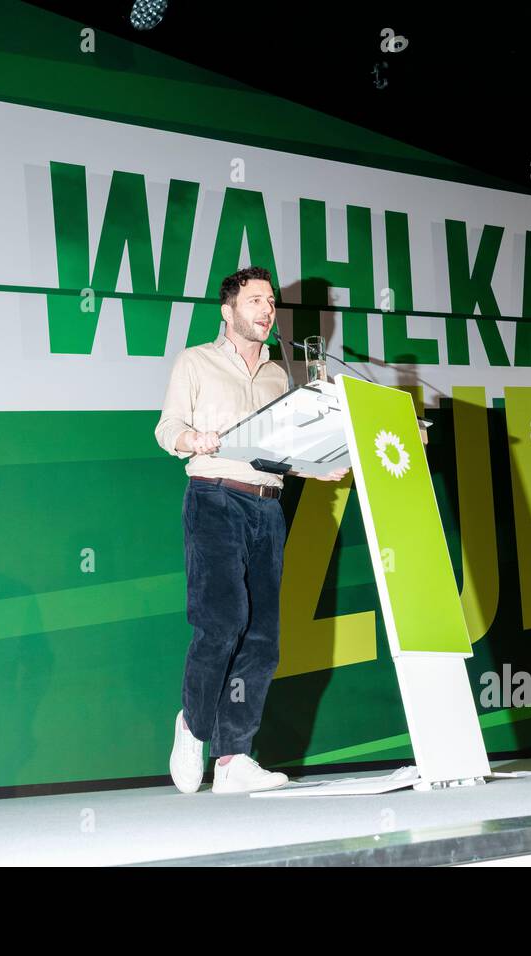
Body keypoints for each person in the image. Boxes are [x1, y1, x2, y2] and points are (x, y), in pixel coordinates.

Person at [155, 266, 350, 794]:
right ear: (229, 309)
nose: (267, 310)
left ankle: (234, 758)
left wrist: (311, 466)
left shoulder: (277, 376)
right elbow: (166, 427)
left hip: (267, 509)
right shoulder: (195, 362)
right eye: (257, 300)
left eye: (271, 302)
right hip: (214, 498)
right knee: (222, 624)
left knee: (263, 638)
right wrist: (191, 437)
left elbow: (274, 450)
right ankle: (193, 728)